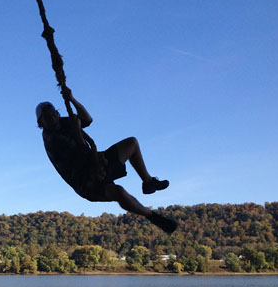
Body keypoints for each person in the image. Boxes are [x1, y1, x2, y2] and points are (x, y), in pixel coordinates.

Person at [36, 88, 178, 234]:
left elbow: (87, 119)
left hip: (95, 162)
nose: (52, 117)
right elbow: (82, 153)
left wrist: (72, 99)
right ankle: (154, 217)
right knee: (119, 192)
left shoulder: (65, 122)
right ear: (40, 123)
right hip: (85, 181)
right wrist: (78, 130)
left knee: (132, 143)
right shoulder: (52, 139)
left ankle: (148, 182)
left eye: (53, 113)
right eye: (47, 117)